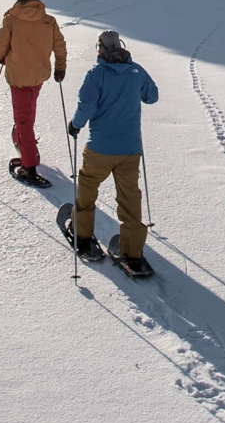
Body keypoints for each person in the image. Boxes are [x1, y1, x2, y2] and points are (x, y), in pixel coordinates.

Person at [66, 30, 160, 274]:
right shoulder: (136, 71)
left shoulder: (96, 74)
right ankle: (133, 251)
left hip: (100, 148)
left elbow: (86, 106)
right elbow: (152, 97)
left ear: (100, 49)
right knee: (130, 197)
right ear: (121, 46)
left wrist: (75, 125)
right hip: (130, 149)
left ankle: (83, 236)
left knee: (87, 188)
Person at [0, 0, 67, 188]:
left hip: (18, 77)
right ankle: (24, 142)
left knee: (23, 120)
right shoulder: (48, 20)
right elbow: (59, 45)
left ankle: (29, 165)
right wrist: (61, 67)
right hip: (38, 76)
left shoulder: (11, 20)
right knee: (28, 111)